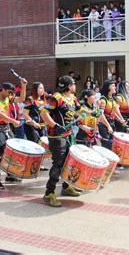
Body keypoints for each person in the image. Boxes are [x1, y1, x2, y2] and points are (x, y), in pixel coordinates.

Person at [40, 75, 83, 207]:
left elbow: (78, 112)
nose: (75, 86)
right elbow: (43, 113)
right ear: (69, 86)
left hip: (69, 135)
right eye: (74, 84)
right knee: (58, 163)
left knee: (70, 161)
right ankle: (49, 193)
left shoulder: (73, 99)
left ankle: (66, 187)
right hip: (57, 136)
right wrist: (54, 125)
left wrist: (91, 115)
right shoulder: (57, 98)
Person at [0, 81, 26, 189]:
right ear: (3, 89)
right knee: (0, 154)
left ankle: (10, 175)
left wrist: (23, 86)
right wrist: (12, 121)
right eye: (9, 92)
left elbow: (21, 99)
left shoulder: (7, 98)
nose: (11, 95)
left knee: (12, 152)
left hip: (6, 128)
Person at [99, 80, 126, 147]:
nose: (115, 87)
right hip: (104, 125)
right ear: (108, 88)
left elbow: (113, 112)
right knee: (107, 146)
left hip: (112, 123)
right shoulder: (103, 99)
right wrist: (108, 126)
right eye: (113, 86)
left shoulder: (112, 99)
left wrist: (120, 120)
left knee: (113, 145)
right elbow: (101, 114)